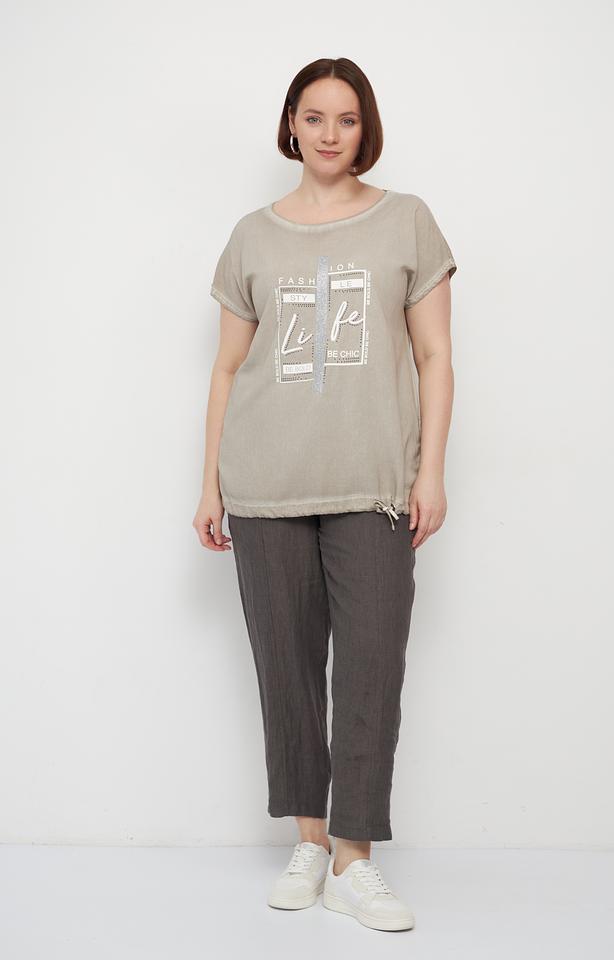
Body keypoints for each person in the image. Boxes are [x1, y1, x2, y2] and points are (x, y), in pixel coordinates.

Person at [193, 57, 457, 933]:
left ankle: (355, 858)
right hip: (263, 482)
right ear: (291, 125)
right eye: (314, 117)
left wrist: (429, 471)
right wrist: (209, 483)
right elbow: (227, 368)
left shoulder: (406, 221)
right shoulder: (252, 236)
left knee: (373, 667)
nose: (330, 133)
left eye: (346, 118)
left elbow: (434, 356)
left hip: (373, 484)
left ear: (364, 127)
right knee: (288, 667)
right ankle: (310, 842)